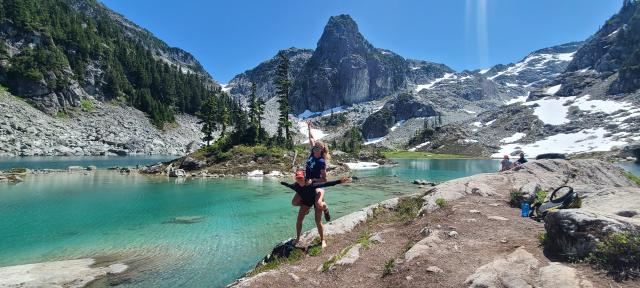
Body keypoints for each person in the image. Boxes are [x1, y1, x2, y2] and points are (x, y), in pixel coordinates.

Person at [281, 170, 351, 248]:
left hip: (316, 200)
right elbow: (288, 185)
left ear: (304, 178)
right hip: (306, 203)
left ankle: (323, 239)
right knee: (299, 220)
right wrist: (283, 183)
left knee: (317, 221)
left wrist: (339, 181)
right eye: (298, 178)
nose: (299, 180)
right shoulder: (296, 186)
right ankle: (297, 238)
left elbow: (327, 184)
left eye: (301, 178)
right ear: (296, 179)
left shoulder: (312, 185)